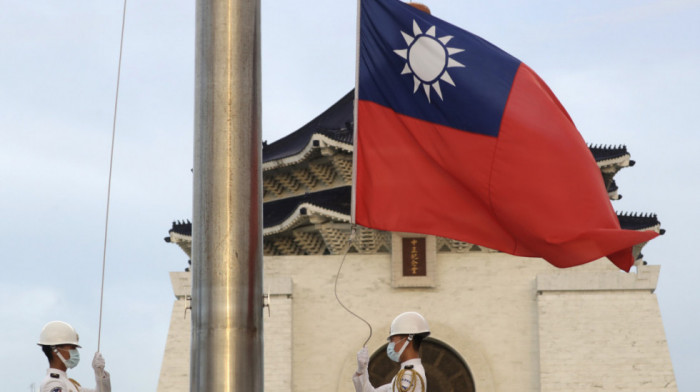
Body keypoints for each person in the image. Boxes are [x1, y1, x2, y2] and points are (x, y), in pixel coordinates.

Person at [353, 311, 430, 392]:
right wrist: (361, 370)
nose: (390, 344)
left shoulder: (410, 375)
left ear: (408, 339)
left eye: (392, 339)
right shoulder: (405, 373)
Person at [37, 321, 111, 392]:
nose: (75, 352)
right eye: (72, 348)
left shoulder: (68, 383)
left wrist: (99, 373)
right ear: (55, 350)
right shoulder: (52, 383)